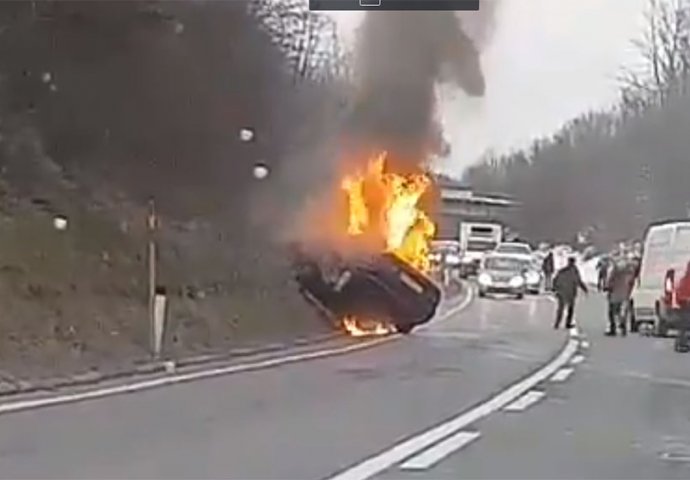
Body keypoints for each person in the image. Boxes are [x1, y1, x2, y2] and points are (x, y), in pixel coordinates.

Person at [553, 257, 589, 329]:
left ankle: (557, 323)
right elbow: (578, 281)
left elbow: (555, 280)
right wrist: (585, 289)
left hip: (562, 292)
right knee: (569, 309)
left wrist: (555, 289)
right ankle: (567, 323)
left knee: (561, 309)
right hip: (570, 293)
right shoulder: (574, 271)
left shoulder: (562, 271)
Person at [604, 260, 636, 336]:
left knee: (612, 312)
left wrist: (607, 288)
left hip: (614, 295)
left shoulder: (614, 273)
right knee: (621, 312)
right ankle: (623, 326)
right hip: (624, 295)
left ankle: (613, 328)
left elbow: (609, 283)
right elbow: (631, 283)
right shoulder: (627, 273)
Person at [673, 261, 690, 352]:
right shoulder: (685, 280)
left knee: (684, 325)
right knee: (684, 325)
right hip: (685, 306)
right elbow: (679, 293)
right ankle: (681, 343)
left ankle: (682, 342)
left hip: (684, 306)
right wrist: (685, 299)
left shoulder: (683, 280)